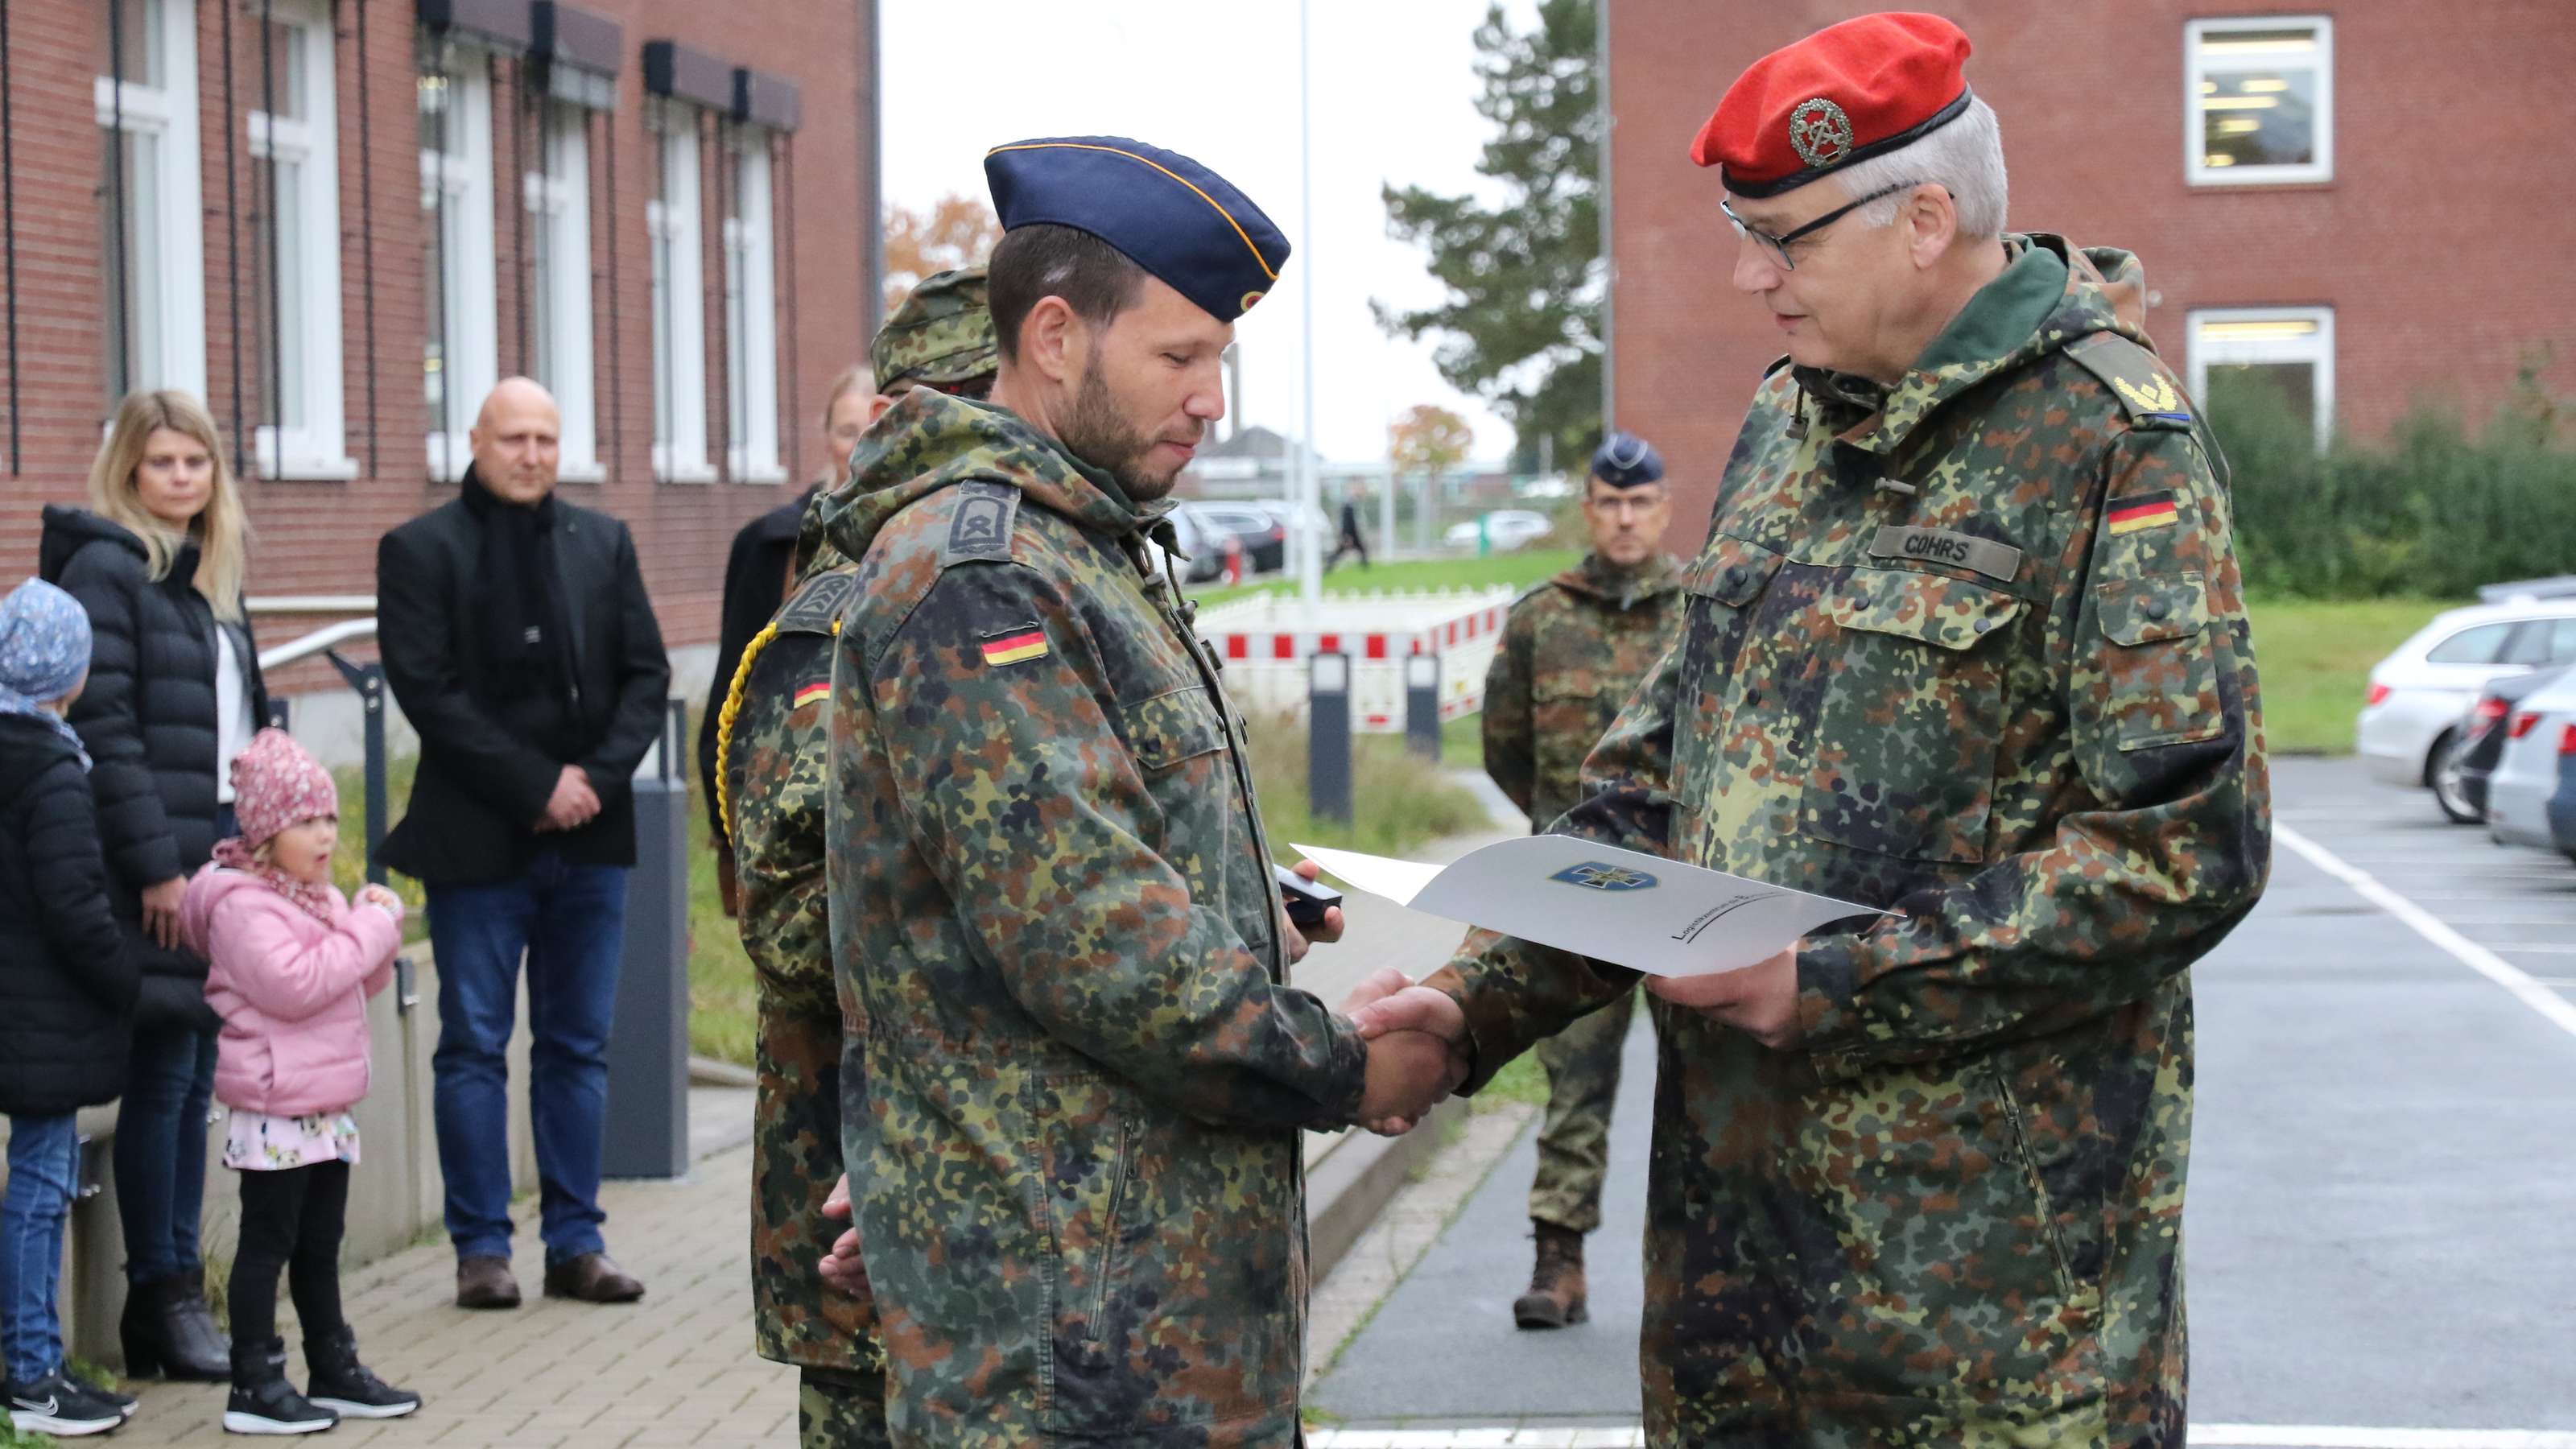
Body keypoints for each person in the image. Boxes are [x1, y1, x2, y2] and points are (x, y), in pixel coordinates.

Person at [1350, 14, 2269, 1444]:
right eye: (1740, 232)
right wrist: (1471, 1004)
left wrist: (1837, 978)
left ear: (1924, 218)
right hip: (1736, 1309)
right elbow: (1653, 793)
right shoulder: (1788, 425)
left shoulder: (2111, 443)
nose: (1746, 277)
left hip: (1982, 1329)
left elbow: (2185, 846)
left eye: (1781, 238)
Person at [813, 135, 1456, 1443]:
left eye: (1217, 359)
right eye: (1180, 356)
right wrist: (1347, 1065)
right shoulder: (977, 573)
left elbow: (1090, 850)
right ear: (1056, 336)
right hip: (1070, 1343)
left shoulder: (1085, 549)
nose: (1211, 398)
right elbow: (1099, 942)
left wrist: (1242, 904)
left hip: (1148, 1308)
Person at [716, 265, 997, 1449]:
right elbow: (790, 927)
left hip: (968, 1179)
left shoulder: (978, 582)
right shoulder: (841, 613)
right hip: (861, 1181)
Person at [376, 378, 672, 1311]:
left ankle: (576, 1244)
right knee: (472, 1044)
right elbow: (427, 689)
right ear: (474, 440)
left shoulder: (603, 541)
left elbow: (647, 674)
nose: (532, 454)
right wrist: (534, 784)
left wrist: (588, 783)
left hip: (591, 838)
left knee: (578, 1046)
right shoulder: (420, 550)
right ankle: (480, 1249)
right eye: (514, 437)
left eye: (546, 437)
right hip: (477, 841)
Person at [39, 389, 268, 1385]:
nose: (181, 478)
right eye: (162, 462)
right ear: (128, 470)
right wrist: (158, 867)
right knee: (164, 1077)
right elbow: (107, 726)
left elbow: (242, 721)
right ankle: (160, 1294)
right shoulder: (110, 570)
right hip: (162, 860)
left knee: (193, 1076)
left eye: (197, 462)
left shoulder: (206, 578)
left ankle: (176, 1292)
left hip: (219, 844)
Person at [1478, 431, 1682, 1330]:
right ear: (1588, 510)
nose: (1626, 518)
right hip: (1578, 896)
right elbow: (1505, 751)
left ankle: (1706, 1277)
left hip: (1687, 895)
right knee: (1574, 1085)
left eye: (1640, 503)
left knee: (1713, 1090)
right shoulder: (1539, 619)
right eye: (1609, 502)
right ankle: (1557, 1262)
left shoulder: (1703, 610)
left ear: (1664, 509)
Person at [179, 729, 420, 1435]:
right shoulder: (243, 907)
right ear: (262, 832)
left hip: (323, 1102)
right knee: (269, 1243)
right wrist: (369, 932)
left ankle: (333, 1366)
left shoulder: (313, 898)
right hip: (277, 1105)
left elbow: (356, 980)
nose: (323, 836)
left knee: (320, 1241)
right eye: (304, 822)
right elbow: (298, 985)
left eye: (329, 820)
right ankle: (254, 1380)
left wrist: (377, 925)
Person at [0, 579, 141, 1439]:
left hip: (16, 1004)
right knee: (42, 1187)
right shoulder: (49, 765)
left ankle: (40, 1363)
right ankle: (31, 1374)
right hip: (40, 1009)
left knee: (39, 1183)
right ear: (69, 674)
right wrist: (124, 978)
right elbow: (74, 902)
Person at [699, 365, 890, 914]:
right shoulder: (771, 545)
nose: (857, 450)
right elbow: (730, 695)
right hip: (788, 815)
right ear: (827, 437)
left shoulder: (919, 538)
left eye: (871, 432)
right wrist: (728, 829)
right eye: (846, 432)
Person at [1327, 493, 1369, 570]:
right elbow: (1347, 524)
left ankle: (1365, 566)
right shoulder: (1347, 509)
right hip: (1350, 535)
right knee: (1342, 550)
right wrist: (1347, 536)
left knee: (1361, 549)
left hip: (1352, 534)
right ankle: (1330, 561)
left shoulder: (1349, 508)